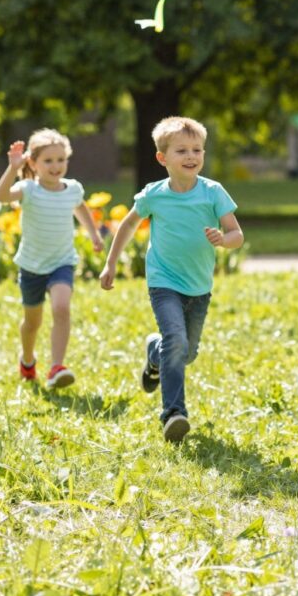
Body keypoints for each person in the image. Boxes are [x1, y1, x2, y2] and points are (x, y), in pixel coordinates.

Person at [99, 117, 243, 443]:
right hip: (163, 281)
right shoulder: (155, 195)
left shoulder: (213, 192)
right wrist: (110, 264)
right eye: (182, 150)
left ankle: (154, 354)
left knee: (185, 352)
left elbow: (237, 233)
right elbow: (127, 225)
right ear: (162, 158)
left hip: (199, 286)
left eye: (197, 149)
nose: (191, 156)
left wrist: (224, 238)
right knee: (176, 341)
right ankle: (173, 413)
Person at [0, 129, 104, 388]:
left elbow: (81, 208)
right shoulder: (28, 189)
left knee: (62, 308)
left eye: (61, 159)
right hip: (32, 266)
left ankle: (56, 367)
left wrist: (94, 235)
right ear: (33, 163)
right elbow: (1, 196)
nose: (56, 166)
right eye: (48, 161)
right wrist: (13, 168)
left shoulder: (73, 188)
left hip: (62, 262)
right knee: (32, 323)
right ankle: (28, 359)